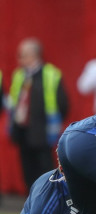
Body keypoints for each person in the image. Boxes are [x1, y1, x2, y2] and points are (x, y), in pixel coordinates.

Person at [7, 38, 69, 191]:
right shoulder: (19, 75)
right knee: (27, 169)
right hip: (23, 130)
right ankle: (31, 202)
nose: (20, 58)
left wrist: (53, 124)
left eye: (23, 55)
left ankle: (49, 200)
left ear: (34, 55)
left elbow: (63, 103)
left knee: (45, 169)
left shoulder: (50, 74)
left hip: (42, 131)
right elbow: (15, 101)